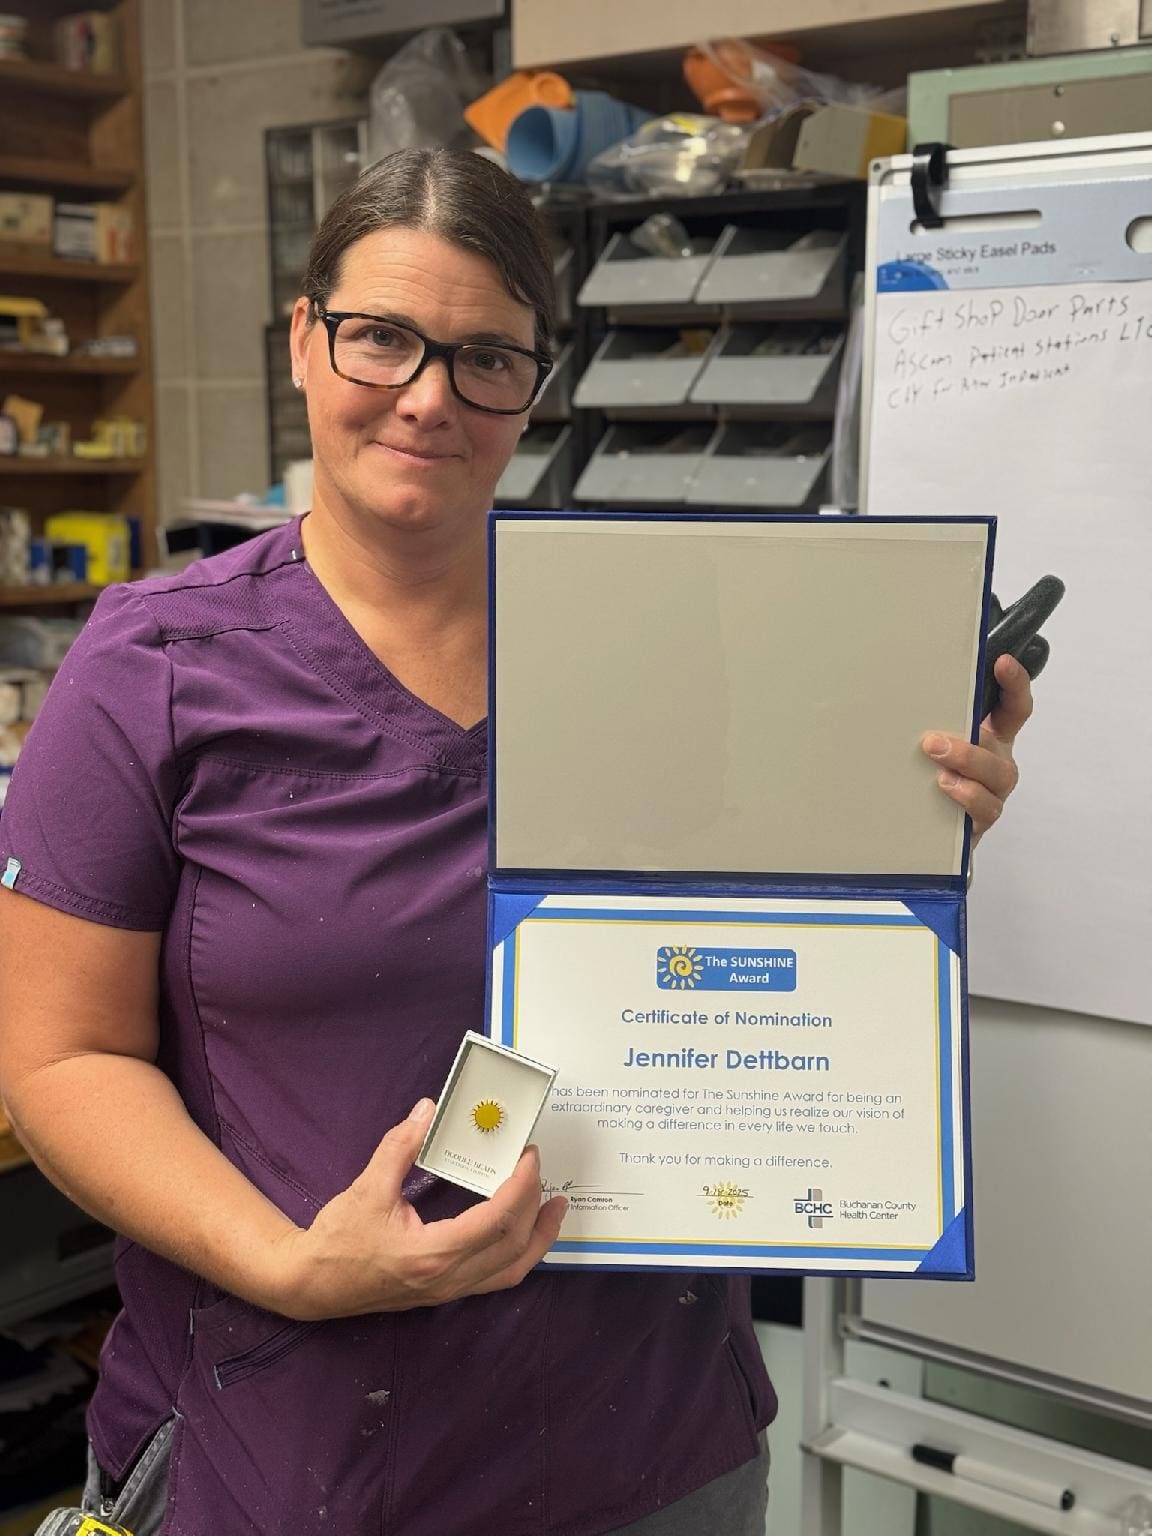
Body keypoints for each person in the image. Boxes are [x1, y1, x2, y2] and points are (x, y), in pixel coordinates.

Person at [0, 148, 1032, 1536]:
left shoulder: (653, 627)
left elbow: (754, 928)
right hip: (297, 1446)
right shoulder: (156, 666)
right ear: (306, 340)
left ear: (533, 386)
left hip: (652, 1443)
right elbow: (60, 1059)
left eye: (486, 357)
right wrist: (292, 1264)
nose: (430, 397)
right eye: (382, 338)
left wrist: (913, 817)